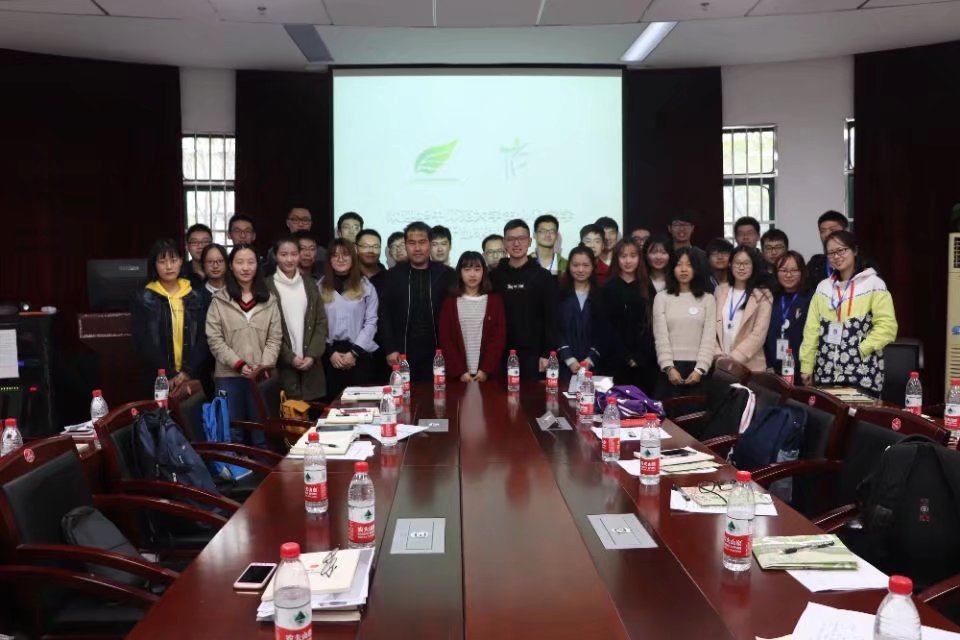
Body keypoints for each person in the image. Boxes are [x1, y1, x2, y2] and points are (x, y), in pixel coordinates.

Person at [800, 231, 897, 395]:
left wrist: (860, 350)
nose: (836, 256)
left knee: (858, 412)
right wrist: (807, 366)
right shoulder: (823, 288)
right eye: (831, 253)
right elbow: (812, 330)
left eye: (841, 250)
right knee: (829, 412)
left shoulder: (874, 284)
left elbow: (887, 327)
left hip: (862, 373)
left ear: (855, 250)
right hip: (826, 372)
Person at [205, 244, 283, 444]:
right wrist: (239, 364)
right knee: (231, 433)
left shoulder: (269, 300)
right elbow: (214, 339)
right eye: (240, 262)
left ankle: (263, 465)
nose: (246, 267)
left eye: (251, 262)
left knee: (262, 433)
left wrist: (262, 367)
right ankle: (235, 466)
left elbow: (275, 338)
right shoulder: (219, 300)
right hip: (228, 376)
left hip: (262, 378)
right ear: (231, 266)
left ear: (258, 265)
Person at [131, 238, 210, 398]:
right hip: (157, 377)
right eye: (162, 261)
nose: (168, 266)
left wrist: (187, 371)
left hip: (193, 375)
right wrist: (169, 373)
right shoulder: (144, 298)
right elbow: (143, 340)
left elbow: (205, 336)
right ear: (154, 265)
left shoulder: (198, 295)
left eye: (173, 260)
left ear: (181, 261)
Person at [378, 221, 456, 381]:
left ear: (430, 244)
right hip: (402, 351)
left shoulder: (447, 275)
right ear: (406, 245)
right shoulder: (393, 275)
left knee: (439, 393)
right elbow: (384, 314)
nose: (417, 248)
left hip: (439, 351)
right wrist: (390, 348)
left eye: (422, 242)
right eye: (412, 243)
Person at [490, 219, 558, 379]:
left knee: (532, 395)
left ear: (530, 241)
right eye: (511, 239)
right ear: (504, 243)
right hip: (500, 354)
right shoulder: (494, 276)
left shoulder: (543, 276)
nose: (516, 243)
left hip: (534, 355)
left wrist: (547, 353)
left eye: (521, 238)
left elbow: (552, 318)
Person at [265, 237, 328, 401]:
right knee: (287, 410)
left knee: (315, 411)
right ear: (275, 256)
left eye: (294, 254)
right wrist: (290, 357)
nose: (289, 259)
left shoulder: (310, 284)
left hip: (311, 364)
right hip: (282, 365)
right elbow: (266, 329)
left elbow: (321, 322)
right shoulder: (267, 286)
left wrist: (312, 355)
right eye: (284, 254)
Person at [319, 239, 380, 399]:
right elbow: (317, 324)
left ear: (353, 257)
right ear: (329, 260)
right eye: (335, 255)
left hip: (359, 354)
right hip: (330, 355)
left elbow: (371, 322)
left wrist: (354, 353)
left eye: (345, 255)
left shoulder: (366, 286)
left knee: (362, 405)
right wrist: (330, 353)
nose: (340, 259)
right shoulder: (320, 287)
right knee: (334, 405)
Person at [652, 247, 716, 399]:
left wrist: (700, 369)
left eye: (689, 265)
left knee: (697, 413)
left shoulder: (708, 299)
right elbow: (660, 337)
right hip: (669, 370)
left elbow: (709, 337)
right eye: (679, 264)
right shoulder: (661, 298)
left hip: (698, 371)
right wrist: (669, 367)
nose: (683, 269)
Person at [437, 251, 507, 382]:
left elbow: (498, 338)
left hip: (487, 375)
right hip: (459, 376)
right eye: (467, 269)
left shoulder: (495, 301)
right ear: (460, 272)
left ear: (483, 272)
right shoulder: (450, 302)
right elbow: (446, 339)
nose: (472, 274)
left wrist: (485, 370)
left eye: (477, 269)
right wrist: (460, 372)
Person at [603, 238, 657, 393]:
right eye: (623, 256)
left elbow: (652, 324)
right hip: (614, 359)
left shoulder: (647, 286)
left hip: (644, 361)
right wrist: (625, 355)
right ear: (617, 259)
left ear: (639, 258)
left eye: (633, 256)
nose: (628, 261)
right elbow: (605, 326)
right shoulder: (608, 287)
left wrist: (640, 355)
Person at [714, 246, 774, 372]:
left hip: (750, 366)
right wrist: (718, 356)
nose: (741, 268)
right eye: (737, 263)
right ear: (730, 265)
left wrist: (732, 359)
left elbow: (759, 334)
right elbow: (711, 328)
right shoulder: (720, 291)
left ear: (753, 266)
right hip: (720, 364)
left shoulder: (763, 295)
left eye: (746, 263)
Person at [556, 246, 608, 377]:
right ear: (569, 266)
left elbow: (604, 331)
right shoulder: (559, 293)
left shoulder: (601, 294)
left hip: (593, 365)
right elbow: (555, 328)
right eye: (575, 265)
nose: (580, 270)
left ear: (593, 267)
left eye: (585, 265)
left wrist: (590, 359)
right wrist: (569, 359)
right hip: (564, 365)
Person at [764, 251, 812, 376]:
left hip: (801, 369)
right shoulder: (770, 297)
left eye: (794, 270)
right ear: (776, 273)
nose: (789, 275)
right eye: (783, 270)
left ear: (802, 272)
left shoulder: (810, 298)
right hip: (773, 369)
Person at [806, 210, 879, 284]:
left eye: (832, 230)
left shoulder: (866, 265)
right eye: (822, 231)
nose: (827, 235)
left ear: (846, 231)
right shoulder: (815, 264)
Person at [356, 229, 387, 295]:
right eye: (365, 246)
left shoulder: (389, 278)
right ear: (356, 248)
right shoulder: (348, 275)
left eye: (376, 247)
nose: (371, 251)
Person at [182, 223, 212, 288]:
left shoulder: (221, 271)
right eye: (194, 242)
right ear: (187, 246)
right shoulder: (180, 273)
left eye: (205, 242)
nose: (200, 246)